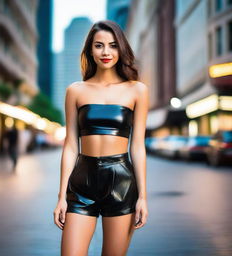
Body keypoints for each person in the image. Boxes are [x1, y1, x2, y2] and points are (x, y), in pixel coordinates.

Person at [53, 20, 149, 256]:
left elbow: (137, 147)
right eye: (99, 46)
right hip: (81, 182)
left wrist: (143, 197)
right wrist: (61, 197)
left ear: (121, 49)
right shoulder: (75, 90)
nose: (106, 52)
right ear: (89, 50)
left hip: (121, 183)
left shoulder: (137, 90)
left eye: (113, 45)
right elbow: (70, 146)